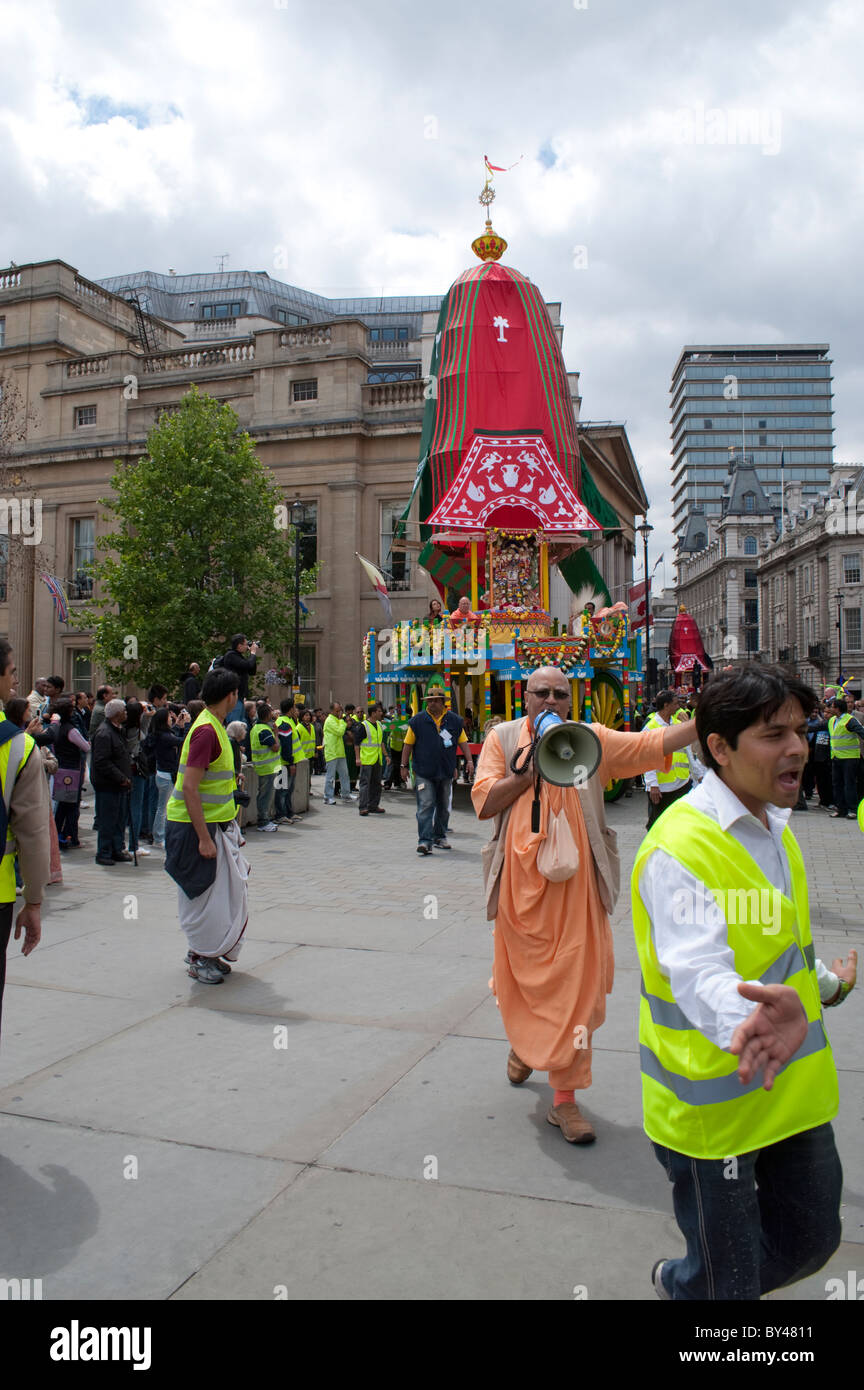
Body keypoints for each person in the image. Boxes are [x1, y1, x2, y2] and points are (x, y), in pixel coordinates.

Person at [633, 666, 856, 1300]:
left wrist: (828, 987)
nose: (796, 747)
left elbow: (776, 949)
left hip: (792, 1092)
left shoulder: (777, 829)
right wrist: (746, 1022)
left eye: (800, 729)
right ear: (719, 748)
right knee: (729, 1284)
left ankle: (689, 1287)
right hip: (715, 1108)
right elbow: (697, 968)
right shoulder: (678, 847)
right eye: (772, 734)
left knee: (812, 1239)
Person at [471, 666, 700, 1145]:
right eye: (542, 693)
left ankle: (565, 1100)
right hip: (520, 889)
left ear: (570, 702)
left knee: (576, 988)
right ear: (525, 696)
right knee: (522, 980)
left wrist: (708, 719)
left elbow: (646, 747)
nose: (551, 701)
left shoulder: (591, 738)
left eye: (560, 694)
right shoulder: (503, 738)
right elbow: (484, 801)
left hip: (578, 893)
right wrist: (527, 772)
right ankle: (525, 1045)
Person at [164, 668, 250, 985]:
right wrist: (203, 838)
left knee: (216, 895)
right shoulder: (206, 731)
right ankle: (199, 956)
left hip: (211, 825)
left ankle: (205, 952)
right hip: (194, 828)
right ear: (231, 696)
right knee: (202, 897)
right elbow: (190, 788)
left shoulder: (213, 726)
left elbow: (209, 779)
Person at [0, 641, 51, 1045]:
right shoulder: (18, 746)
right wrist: (33, 902)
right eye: (13, 671)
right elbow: (32, 832)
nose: (16, 680)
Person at [401, 689, 473, 854]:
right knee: (426, 805)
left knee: (443, 807)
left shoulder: (454, 721)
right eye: (429, 700)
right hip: (423, 772)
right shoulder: (417, 721)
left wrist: (469, 761)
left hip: (446, 771)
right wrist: (403, 766)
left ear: (443, 702)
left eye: (435, 700)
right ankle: (425, 841)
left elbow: (463, 743)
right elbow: (407, 745)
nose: (432, 703)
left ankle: (439, 837)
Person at [91, 699, 133, 865]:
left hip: (118, 785)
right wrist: (120, 777)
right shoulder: (104, 733)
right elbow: (101, 761)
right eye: (124, 710)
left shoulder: (117, 731)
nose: (126, 713)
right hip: (108, 785)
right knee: (108, 820)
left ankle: (116, 848)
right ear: (117, 714)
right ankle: (104, 852)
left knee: (118, 820)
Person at [643, 689, 693, 828]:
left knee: (679, 822)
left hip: (682, 782)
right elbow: (647, 757)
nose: (678, 707)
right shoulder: (651, 727)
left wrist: (698, 774)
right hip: (661, 787)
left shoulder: (678, 724)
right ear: (666, 705)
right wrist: (653, 784)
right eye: (675, 704)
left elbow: (687, 749)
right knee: (657, 823)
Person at [51, 695, 90, 850]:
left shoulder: (56, 727)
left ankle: (59, 834)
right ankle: (71, 837)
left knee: (62, 804)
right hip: (72, 769)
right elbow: (86, 747)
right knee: (71, 805)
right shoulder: (71, 730)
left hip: (61, 767)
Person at [150, 706, 186, 848]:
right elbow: (181, 741)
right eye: (169, 718)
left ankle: (160, 836)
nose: (172, 719)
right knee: (162, 808)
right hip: (165, 776)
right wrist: (185, 725)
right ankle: (158, 837)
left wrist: (180, 726)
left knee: (163, 807)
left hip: (163, 774)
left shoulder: (163, 734)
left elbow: (177, 739)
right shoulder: (164, 736)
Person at [828, 696, 864, 818]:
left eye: (832, 707)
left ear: (837, 708)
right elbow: (819, 726)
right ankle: (840, 809)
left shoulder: (850, 720)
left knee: (849, 784)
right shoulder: (832, 720)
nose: (830, 708)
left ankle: (852, 809)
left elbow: (862, 732)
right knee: (837, 784)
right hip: (836, 757)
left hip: (850, 758)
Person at [249, 701, 281, 832]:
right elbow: (275, 747)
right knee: (265, 796)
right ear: (267, 715)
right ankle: (263, 822)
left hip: (265, 767)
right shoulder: (265, 731)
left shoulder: (256, 727)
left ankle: (265, 819)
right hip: (267, 768)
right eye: (271, 711)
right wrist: (276, 734)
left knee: (265, 794)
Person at [355, 704, 386, 816]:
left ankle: (373, 806)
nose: (381, 713)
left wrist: (386, 755)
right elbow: (356, 744)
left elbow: (381, 742)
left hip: (377, 759)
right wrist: (358, 758)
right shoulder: (363, 726)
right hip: (367, 760)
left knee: (377, 784)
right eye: (379, 711)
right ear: (373, 713)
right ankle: (363, 807)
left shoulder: (379, 724)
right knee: (365, 784)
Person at [222, 635, 261, 724]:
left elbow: (251, 671)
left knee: (241, 724)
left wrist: (252, 655)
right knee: (235, 724)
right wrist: (253, 653)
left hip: (239, 696)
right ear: (239, 646)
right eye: (246, 644)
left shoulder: (239, 656)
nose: (247, 646)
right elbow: (248, 665)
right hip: (233, 696)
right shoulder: (231, 655)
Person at [274, 699, 301, 825]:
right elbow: (286, 746)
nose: (297, 711)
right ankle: (280, 815)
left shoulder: (289, 721)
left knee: (289, 789)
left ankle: (289, 812)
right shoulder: (284, 723)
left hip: (289, 762)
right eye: (295, 708)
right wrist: (290, 763)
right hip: (283, 763)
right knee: (282, 790)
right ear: (290, 709)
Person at [323, 703, 355, 804]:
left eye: (340, 710)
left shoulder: (336, 720)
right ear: (332, 711)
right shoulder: (330, 720)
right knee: (330, 776)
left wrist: (341, 721)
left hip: (340, 752)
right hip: (332, 752)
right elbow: (340, 732)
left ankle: (346, 795)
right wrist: (342, 721)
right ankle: (327, 797)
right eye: (337, 711)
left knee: (345, 775)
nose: (339, 713)